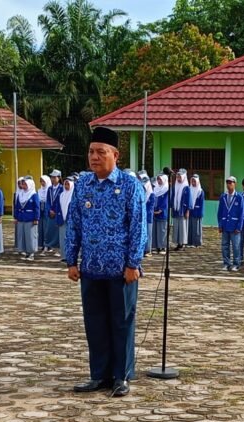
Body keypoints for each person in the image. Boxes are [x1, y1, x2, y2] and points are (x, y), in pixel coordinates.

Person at [66, 126, 146, 398]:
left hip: (121, 270)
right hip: (90, 267)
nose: (94, 157)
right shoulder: (83, 185)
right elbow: (74, 223)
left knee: (121, 323)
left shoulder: (129, 186)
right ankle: (99, 374)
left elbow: (138, 227)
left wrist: (133, 263)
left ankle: (121, 376)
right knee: (95, 323)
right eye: (91, 152)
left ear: (115, 155)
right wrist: (71, 260)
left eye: (101, 152)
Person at [218, 176, 244, 272]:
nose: (229, 184)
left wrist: (239, 227)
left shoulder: (239, 197)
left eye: (231, 182)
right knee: (225, 245)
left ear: (235, 184)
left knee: (236, 246)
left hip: (235, 226)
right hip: (225, 225)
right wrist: (220, 225)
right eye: (227, 182)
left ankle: (236, 264)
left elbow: (241, 213)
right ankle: (226, 263)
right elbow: (220, 212)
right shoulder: (223, 197)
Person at [14, 177, 40, 261]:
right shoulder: (20, 194)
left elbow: (37, 207)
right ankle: (26, 252)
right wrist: (16, 217)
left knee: (30, 236)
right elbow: (17, 206)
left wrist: (36, 218)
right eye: (23, 184)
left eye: (25, 184)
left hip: (30, 218)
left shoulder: (34, 195)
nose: (24, 186)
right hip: (21, 218)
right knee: (23, 235)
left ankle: (31, 253)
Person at [54, 176, 75, 261]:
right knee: (62, 238)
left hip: (71, 221)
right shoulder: (61, 195)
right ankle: (64, 256)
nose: (66, 186)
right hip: (62, 220)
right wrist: (58, 219)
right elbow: (58, 208)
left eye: (68, 184)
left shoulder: (74, 195)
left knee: (70, 239)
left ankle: (71, 257)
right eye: (65, 184)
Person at [44, 170, 62, 254]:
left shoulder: (62, 188)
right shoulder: (49, 189)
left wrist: (55, 211)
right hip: (50, 213)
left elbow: (61, 201)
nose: (53, 179)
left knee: (57, 231)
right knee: (49, 229)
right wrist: (49, 210)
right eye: (52, 177)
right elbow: (47, 201)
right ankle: (48, 246)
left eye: (55, 177)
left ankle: (57, 248)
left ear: (59, 178)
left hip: (58, 213)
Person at [151, 173, 169, 253]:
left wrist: (161, 210)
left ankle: (162, 247)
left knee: (162, 230)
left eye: (160, 179)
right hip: (155, 212)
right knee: (155, 230)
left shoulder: (166, 189)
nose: (158, 181)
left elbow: (166, 201)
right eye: (158, 179)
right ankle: (156, 247)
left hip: (162, 213)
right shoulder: (156, 188)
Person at [187, 174, 205, 248]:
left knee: (196, 228)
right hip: (190, 212)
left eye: (195, 181)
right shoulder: (189, 189)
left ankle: (196, 243)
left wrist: (200, 213)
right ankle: (189, 242)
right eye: (192, 181)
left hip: (197, 212)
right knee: (190, 228)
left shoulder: (200, 191)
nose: (193, 183)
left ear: (198, 182)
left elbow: (202, 203)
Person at [141, 173, 155, 256]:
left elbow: (150, 208)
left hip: (148, 217)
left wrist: (144, 213)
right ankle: (143, 249)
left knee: (148, 234)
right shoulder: (143, 195)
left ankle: (148, 250)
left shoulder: (151, 195)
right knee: (143, 233)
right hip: (142, 217)